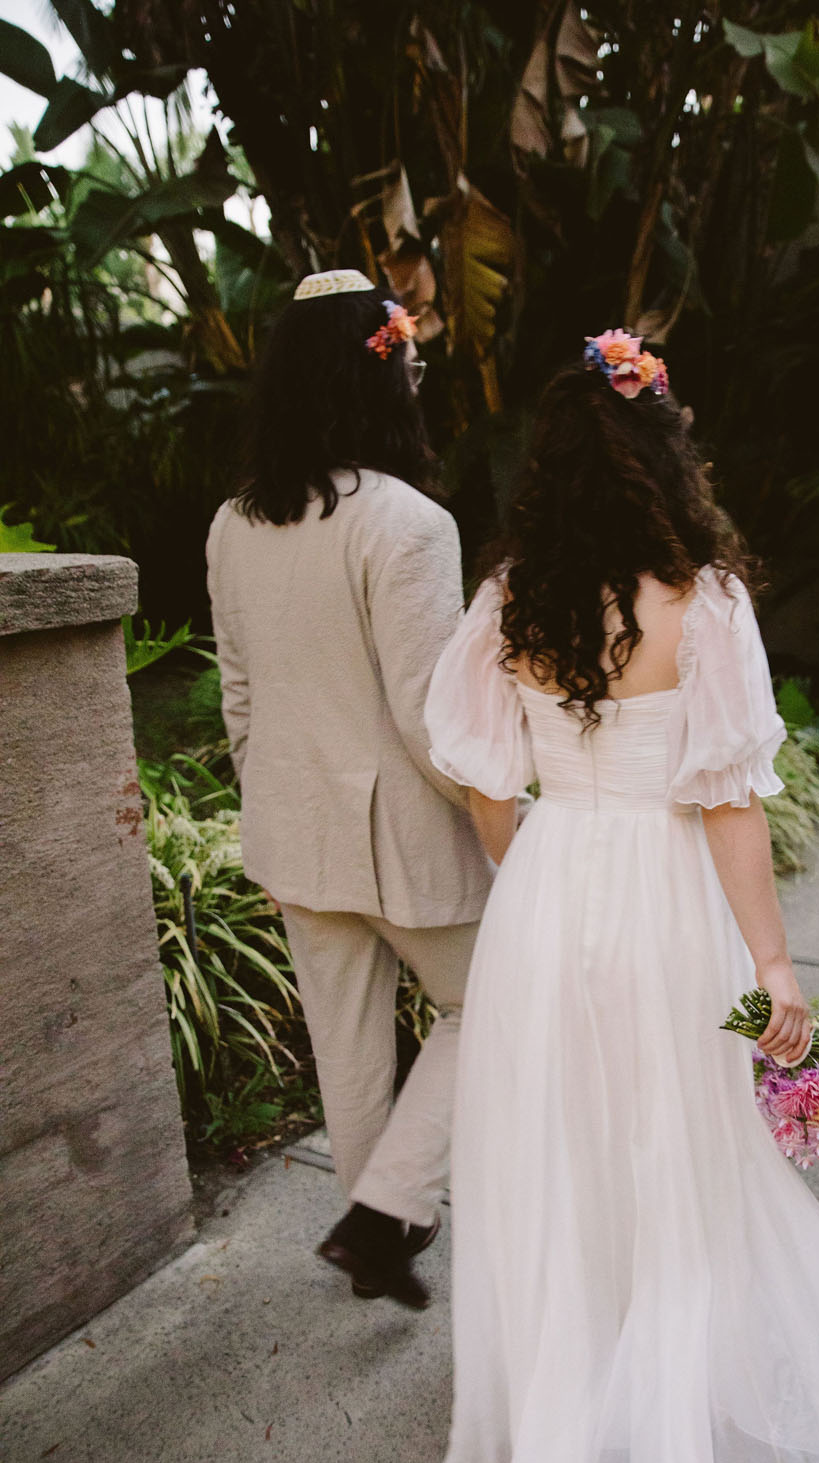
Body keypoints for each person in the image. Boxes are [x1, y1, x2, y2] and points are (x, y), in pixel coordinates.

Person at [424, 330, 819, 1463]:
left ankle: (571, 1408)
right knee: (686, 1148)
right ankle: (673, 1417)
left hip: (549, 898)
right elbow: (728, 804)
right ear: (667, 455)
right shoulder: (702, 602)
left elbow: (482, 780)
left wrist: (530, 868)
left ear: (545, 467)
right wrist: (771, 969)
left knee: (558, 1151)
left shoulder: (509, 600)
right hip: (668, 906)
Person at [208, 269, 491, 1308]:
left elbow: (238, 695)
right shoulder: (410, 524)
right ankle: (386, 1215)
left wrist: (272, 791)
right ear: (378, 380)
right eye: (411, 362)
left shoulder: (233, 523)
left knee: (349, 1043)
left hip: (294, 830)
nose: (417, 377)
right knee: (489, 1002)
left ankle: (388, 1227)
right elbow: (432, 719)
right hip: (405, 834)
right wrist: (504, 817)